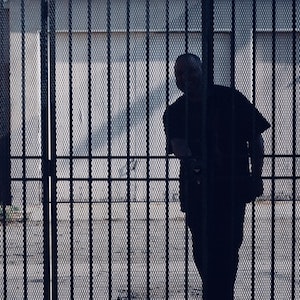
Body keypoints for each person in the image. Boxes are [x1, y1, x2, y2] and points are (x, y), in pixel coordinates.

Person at [163, 53, 270, 300]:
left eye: (190, 70)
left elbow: (256, 138)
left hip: (231, 188)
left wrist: (257, 176)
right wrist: (193, 164)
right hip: (197, 191)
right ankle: (220, 294)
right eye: (179, 73)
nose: (185, 77)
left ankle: (218, 295)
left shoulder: (230, 98)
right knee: (202, 249)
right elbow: (179, 146)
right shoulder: (176, 111)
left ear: (202, 69)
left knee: (228, 248)